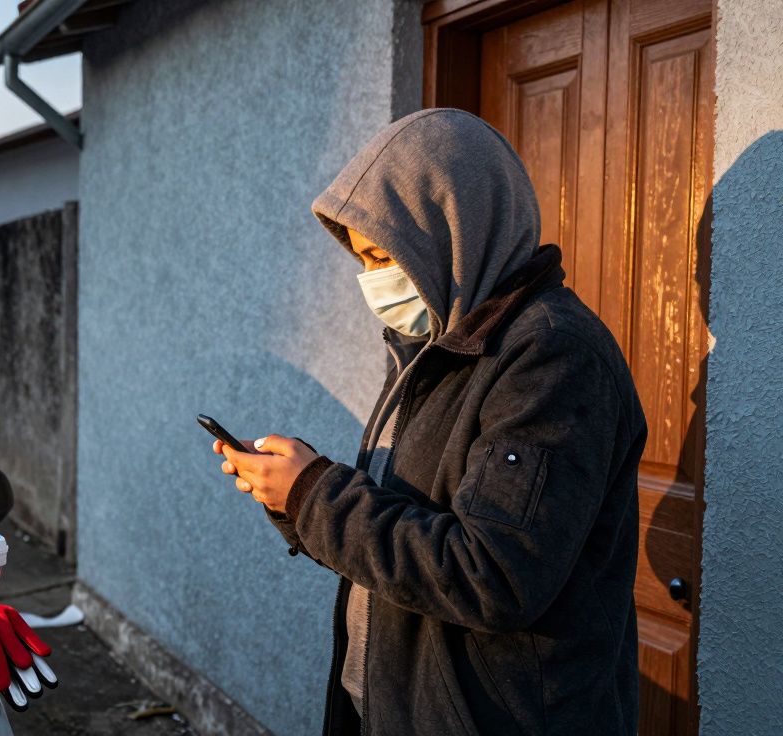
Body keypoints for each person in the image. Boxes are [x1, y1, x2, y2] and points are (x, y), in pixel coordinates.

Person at [212, 108, 645, 735]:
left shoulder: (552, 354)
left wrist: (315, 495)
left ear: (453, 229)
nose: (374, 280)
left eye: (384, 254)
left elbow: (492, 574)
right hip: (399, 705)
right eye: (364, 260)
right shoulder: (440, 346)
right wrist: (295, 496)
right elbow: (408, 517)